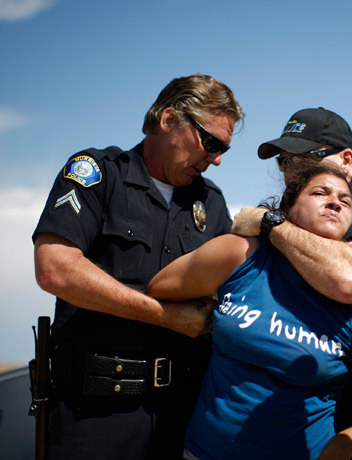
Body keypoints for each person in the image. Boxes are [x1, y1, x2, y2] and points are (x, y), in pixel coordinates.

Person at [147, 163, 352, 460]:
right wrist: (207, 316)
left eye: (345, 201)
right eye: (320, 192)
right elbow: (160, 288)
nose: (335, 202)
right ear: (288, 207)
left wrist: (349, 443)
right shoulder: (240, 255)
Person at [32, 74, 242, 460]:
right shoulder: (98, 173)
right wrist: (166, 316)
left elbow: (233, 287)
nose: (216, 159)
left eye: (223, 148)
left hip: (183, 414)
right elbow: (55, 269)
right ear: (168, 120)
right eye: (210, 143)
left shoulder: (210, 203)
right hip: (95, 415)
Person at [231, 107, 352, 459]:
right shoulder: (304, 224)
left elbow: (350, 279)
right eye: (283, 161)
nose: (291, 171)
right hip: (322, 402)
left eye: (305, 159)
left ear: (347, 160)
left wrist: (270, 222)